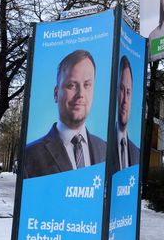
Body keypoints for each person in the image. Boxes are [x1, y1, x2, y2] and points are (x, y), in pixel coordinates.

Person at [24, 49, 107, 179]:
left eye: (87, 85)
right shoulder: (30, 156)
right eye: (71, 85)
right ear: (56, 93)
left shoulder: (105, 150)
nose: (80, 94)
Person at [114, 55, 140, 173]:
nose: (125, 100)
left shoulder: (136, 152)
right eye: (121, 89)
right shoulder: (101, 148)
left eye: (128, 92)